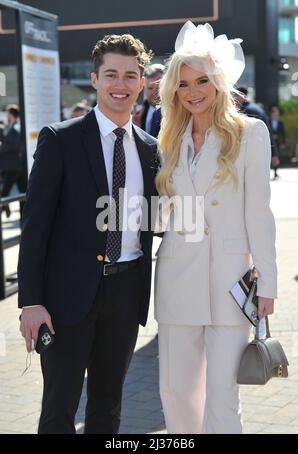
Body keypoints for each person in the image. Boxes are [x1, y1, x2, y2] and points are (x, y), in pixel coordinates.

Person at [18, 33, 159, 434]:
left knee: (108, 408)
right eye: (111, 74)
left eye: (130, 75)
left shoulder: (151, 149)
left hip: (127, 293)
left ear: (141, 83)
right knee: (59, 410)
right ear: (95, 80)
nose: (121, 84)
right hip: (67, 298)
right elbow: (35, 228)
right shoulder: (60, 139)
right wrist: (31, 302)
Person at [154, 21, 277, 434]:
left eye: (202, 80)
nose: (193, 91)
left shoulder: (249, 133)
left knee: (223, 395)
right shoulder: (170, 138)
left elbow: (259, 213)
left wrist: (269, 284)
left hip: (230, 284)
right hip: (176, 277)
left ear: (220, 81)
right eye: (184, 83)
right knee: (176, 391)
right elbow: (162, 213)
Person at [234, 86, 280, 171]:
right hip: (261, 150)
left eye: (235, 95)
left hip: (249, 152)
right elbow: (269, 132)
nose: (234, 98)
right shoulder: (258, 109)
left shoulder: (244, 111)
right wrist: (274, 153)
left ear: (241, 96)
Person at [0, 105, 26, 218]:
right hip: (11, 166)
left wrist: (2, 146)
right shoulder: (8, 127)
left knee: (5, 194)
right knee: (21, 194)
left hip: (14, 167)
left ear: (13, 115)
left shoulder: (16, 128)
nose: (7, 116)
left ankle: (8, 210)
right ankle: (13, 212)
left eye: (8, 114)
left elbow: (13, 145)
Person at [133, 63, 165, 137]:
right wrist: (135, 129)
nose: (155, 92)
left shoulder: (178, 112)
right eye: (150, 88)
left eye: (159, 87)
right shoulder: (137, 115)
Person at [270, 106, 286, 179]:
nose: (275, 113)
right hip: (270, 141)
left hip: (278, 142)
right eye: (273, 112)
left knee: (277, 155)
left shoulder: (280, 122)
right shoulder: (268, 120)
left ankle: (275, 172)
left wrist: (283, 142)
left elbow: (283, 133)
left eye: (276, 112)